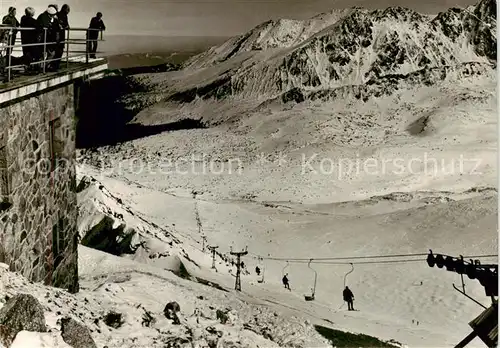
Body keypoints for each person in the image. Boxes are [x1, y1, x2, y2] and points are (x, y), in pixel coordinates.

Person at [35, 6, 59, 71]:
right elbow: (42, 26)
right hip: (43, 39)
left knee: (47, 54)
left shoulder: (44, 17)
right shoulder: (43, 17)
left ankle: (42, 66)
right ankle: (42, 67)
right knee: (45, 54)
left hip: (47, 39)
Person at [53, 4, 69, 69]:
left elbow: (66, 25)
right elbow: (66, 25)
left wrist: (63, 26)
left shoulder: (60, 15)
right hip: (59, 35)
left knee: (58, 50)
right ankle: (55, 65)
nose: (68, 11)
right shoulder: (60, 15)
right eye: (68, 10)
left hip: (59, 35)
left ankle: (55, 65)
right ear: (65, 9)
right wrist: (63, 26)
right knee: (59, 50)